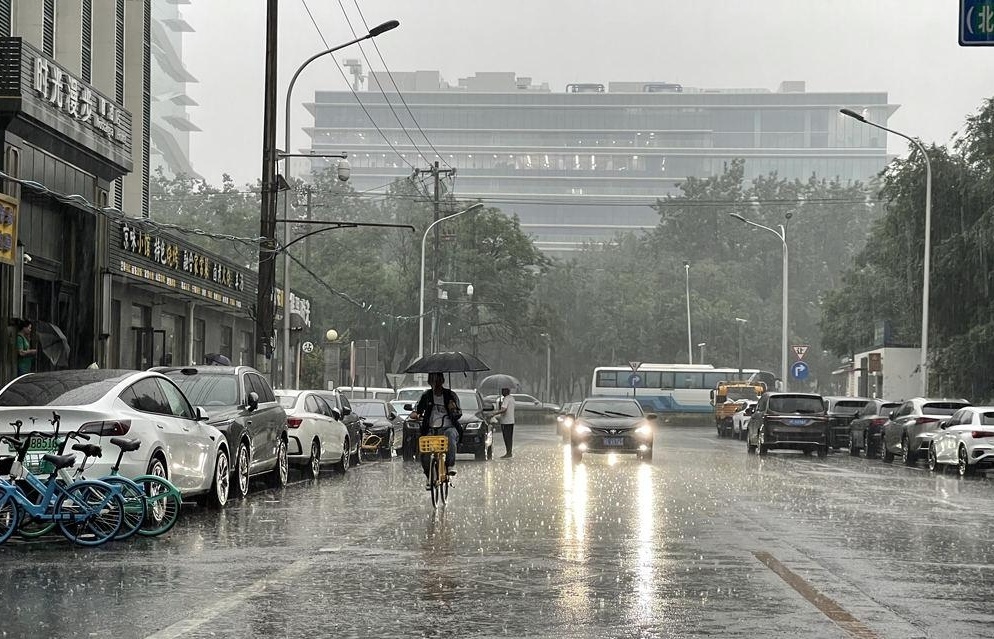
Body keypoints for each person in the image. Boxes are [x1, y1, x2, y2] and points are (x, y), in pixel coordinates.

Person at [410, 372, 462, 485]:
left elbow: (459, 413)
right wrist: (415, 414)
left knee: (451, 436)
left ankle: (450, 465)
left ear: (442, 381)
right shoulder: (426, 396)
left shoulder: (451, 395)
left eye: (438, 380)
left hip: (448, 428)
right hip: (430, 429)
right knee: (424, 451)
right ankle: (429, 475)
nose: (436, 383)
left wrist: (453, 409)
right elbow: (417, 411)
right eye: (433, 380)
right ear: (430, 382)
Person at [495, 387, 516, 458]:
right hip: (511, 421)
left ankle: (508, 452)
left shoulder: (506, 399)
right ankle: (509, 452)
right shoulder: (512, 398)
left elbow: (504, 409)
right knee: (509, 438)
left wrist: (494, 413)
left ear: (506, 392)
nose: (502, 392)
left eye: (503, 391)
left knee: (506, 437)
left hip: (506, 422)